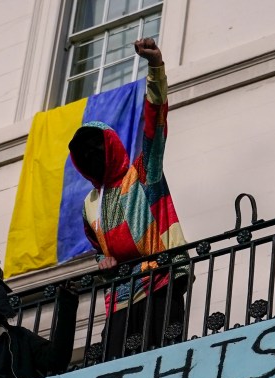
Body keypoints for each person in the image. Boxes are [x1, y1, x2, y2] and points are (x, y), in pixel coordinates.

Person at [68, 38, 189, 359]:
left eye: (97, 146)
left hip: (161, 278)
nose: (92, 154)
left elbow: (156, 119)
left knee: (164, 359)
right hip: (121, 294)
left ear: (110, 145)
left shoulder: (143, 172)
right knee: (114, 366)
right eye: (84, 152)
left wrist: (156, 67)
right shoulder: (89, 205)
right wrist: (102, 262)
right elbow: (98, 250)